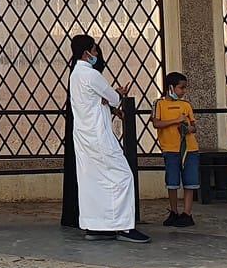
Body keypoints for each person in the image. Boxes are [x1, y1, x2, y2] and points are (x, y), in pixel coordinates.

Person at [68, 34, 149, 244]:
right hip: (99, 136)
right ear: (87, 53)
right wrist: (117, 93)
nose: (96, 54)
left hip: (84, 136)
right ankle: (123, 226)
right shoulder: (92, 75)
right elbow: (113, 97)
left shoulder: (75, 75)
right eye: (95, 50)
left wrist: (105, 98)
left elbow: (96, 100)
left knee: (93, 180)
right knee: (123, 176)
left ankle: (97, 225)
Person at [151, 72, 198, 228]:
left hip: (189, 149)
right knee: (172, 181)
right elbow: (156, 123)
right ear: (171, 87)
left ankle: (187, 212)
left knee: (190, 181)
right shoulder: (158, 104)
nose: (183, 91)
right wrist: (175, 121)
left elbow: (193, 126)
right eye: (181, 88)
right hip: (170, 148)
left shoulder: (186, 106)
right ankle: (173, 211)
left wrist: (189, 128)